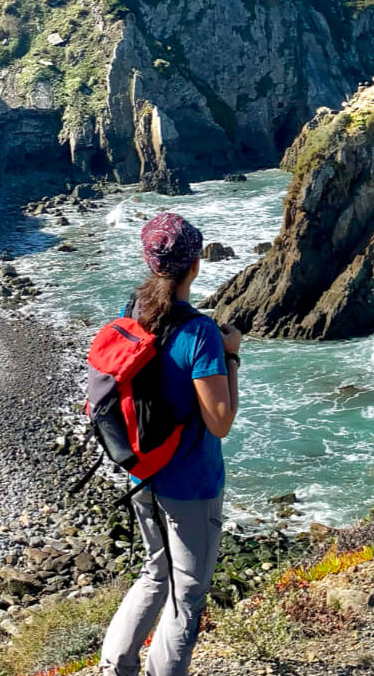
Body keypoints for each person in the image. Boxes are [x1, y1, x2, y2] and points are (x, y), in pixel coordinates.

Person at [97, 213, 241, 676]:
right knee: (186, 594)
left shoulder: (130, 309)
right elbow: (219, 422)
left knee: (154, 572)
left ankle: (114, 666)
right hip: (190, 483)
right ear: (195, 265)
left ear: (151, 262)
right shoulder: (200, 334)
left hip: (142, 470)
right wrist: (232, 354)